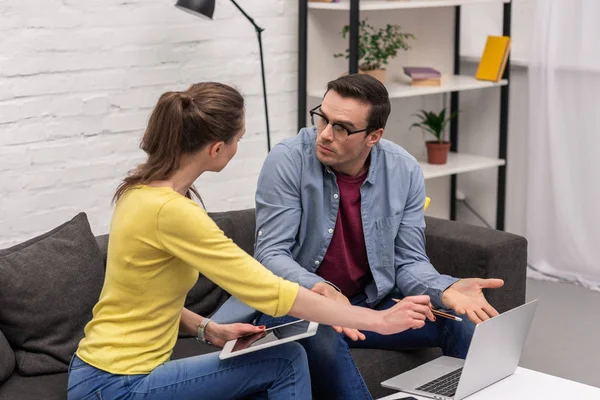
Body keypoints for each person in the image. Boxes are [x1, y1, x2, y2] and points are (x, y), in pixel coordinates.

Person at [67, 82, 437, 400]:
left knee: (278, 359)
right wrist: (378, 320)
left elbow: (139, 297)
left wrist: (208, 329)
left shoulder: (139, 191)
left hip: (97, 369)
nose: (237, 148)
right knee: (284, 361)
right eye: (238, 140)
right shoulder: (173, 212)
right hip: (114, 385)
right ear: (216, 149)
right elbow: (269, 291)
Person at [214, 74, 506, 399]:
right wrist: (322, 290)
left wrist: (446, 288)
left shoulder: (403, 170)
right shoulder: (287, 160)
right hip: (300, 304)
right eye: (322, 117)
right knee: (319, 334)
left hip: (373, 300)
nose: (324, 134)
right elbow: (270, 255)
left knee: (461, 321)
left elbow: (409, 261)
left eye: (341, 127)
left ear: (373, 136)